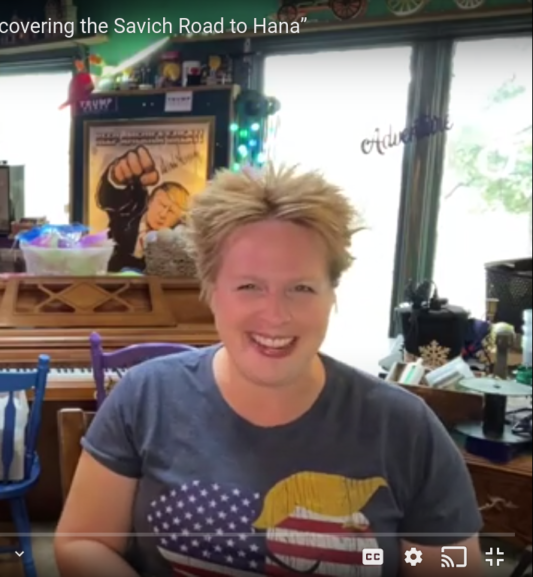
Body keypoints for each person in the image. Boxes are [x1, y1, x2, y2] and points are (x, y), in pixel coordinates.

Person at [55, 166, 483, 576]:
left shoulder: (407, 428)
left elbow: (455, 565)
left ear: (332, 295)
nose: (276, 315)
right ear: (211, 291)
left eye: (302, 288)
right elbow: (82, 542)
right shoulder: (145, 396)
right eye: (249, 286)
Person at [96, 146, 191, 270]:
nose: (163, 214)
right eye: (162, 204)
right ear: (150, 201)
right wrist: (116, 179)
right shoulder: (130, 214)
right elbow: (113, 200)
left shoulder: (176, 242)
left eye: (171, 211)